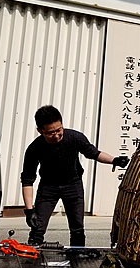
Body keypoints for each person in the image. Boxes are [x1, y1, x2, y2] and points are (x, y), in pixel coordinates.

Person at [21, 105, 129, 246]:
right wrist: (29, 211)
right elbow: (27, 179)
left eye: (59, 130)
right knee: (37, 228)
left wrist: (114, 160)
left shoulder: (74, 137)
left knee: (77, 228)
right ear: (40, 131)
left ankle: (77, 259)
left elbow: (93, 153)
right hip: (48, 187)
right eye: (51, 133)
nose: (57, 135)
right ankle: (31, 258)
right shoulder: (34, 148)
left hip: (73, 185)